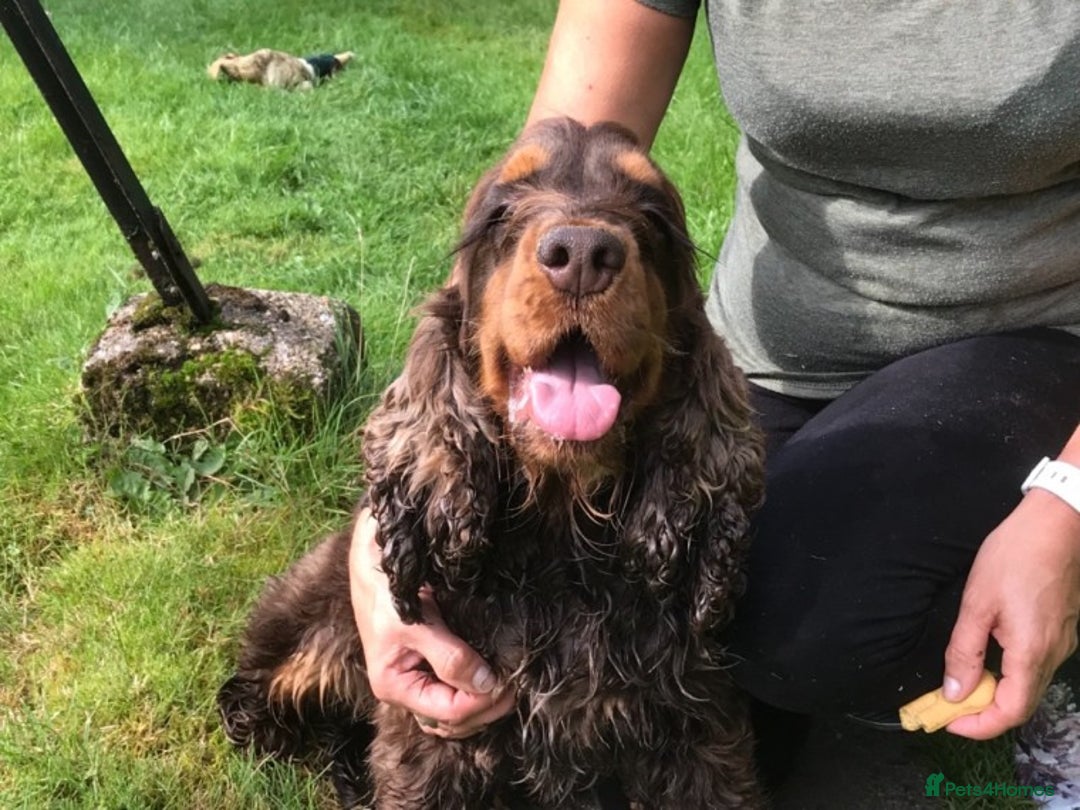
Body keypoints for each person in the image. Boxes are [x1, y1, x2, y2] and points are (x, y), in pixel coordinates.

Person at [349, 0, 1080, 770]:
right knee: (638, 586)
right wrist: (386, 537)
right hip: (766, 354)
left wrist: (1069, 502)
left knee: (804, 620)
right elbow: (551, 177)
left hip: (1031, 346)